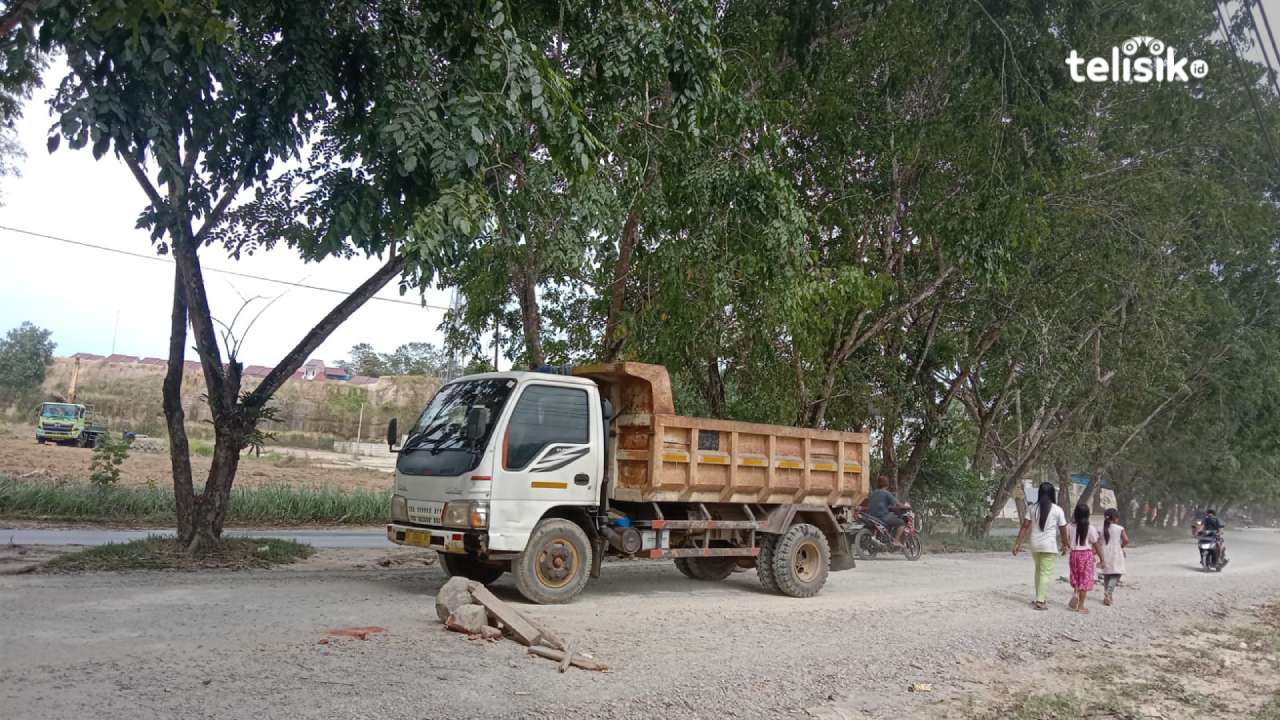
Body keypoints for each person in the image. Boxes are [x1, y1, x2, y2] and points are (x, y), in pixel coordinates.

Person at [1013, 482, 1069, 611]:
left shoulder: (1032, 508)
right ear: (1052, 494)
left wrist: (1017, 543)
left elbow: (1025, 527)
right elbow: (1063, 530)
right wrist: (1065, 544)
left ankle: (1039, 596)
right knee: (1045, 573)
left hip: (1035, 544)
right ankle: (1040, 600)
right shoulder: (1057, 510)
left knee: (1038, 571)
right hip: (1049, 545)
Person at [1067, 504, 1105, 613]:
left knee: (1076, 576)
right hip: (1086, 555)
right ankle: (1081, 606)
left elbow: (1066, 540)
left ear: (1076, 513)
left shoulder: (1069, 526)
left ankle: (1075, 594)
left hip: (1074, 554)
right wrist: (1102, 559)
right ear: (1088, 514)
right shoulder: (1091, 528)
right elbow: (1096, 544)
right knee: (1085, 579)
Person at [1099, 508, 1129, 607]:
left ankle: (1107, 596)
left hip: (1104, 552)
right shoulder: (1119, 528)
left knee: (1107, 574)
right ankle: (1109, 592)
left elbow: (1097, 541)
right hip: (1116, 552)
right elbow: (1126, 540)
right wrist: (1122, 546)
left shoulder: (1100, 528)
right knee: (1117, 572)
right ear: (1116, 518)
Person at [866, 476, 906, 547]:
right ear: (887, 484)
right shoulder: (886, 493)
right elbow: (897, 504)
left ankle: (884, 538)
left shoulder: (872, 493)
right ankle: (896, 541)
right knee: (901, 523)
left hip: (871, 516)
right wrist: (905, 506)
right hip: (882, 516)